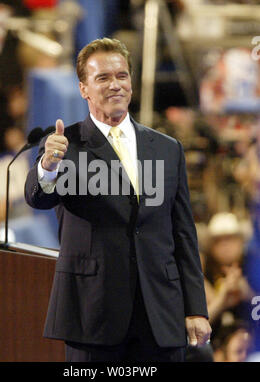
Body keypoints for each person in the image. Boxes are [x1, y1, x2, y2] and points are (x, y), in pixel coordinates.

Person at [24, 38, 211, 362]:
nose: (115, 85)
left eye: (121, 76)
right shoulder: (65, 144)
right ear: (83, 88)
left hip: (160, 316)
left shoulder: (167, 148)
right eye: (103, 78)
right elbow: (38, 198)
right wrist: (48, 167)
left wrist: (195, 307)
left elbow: (183, 233)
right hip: (92, 316)